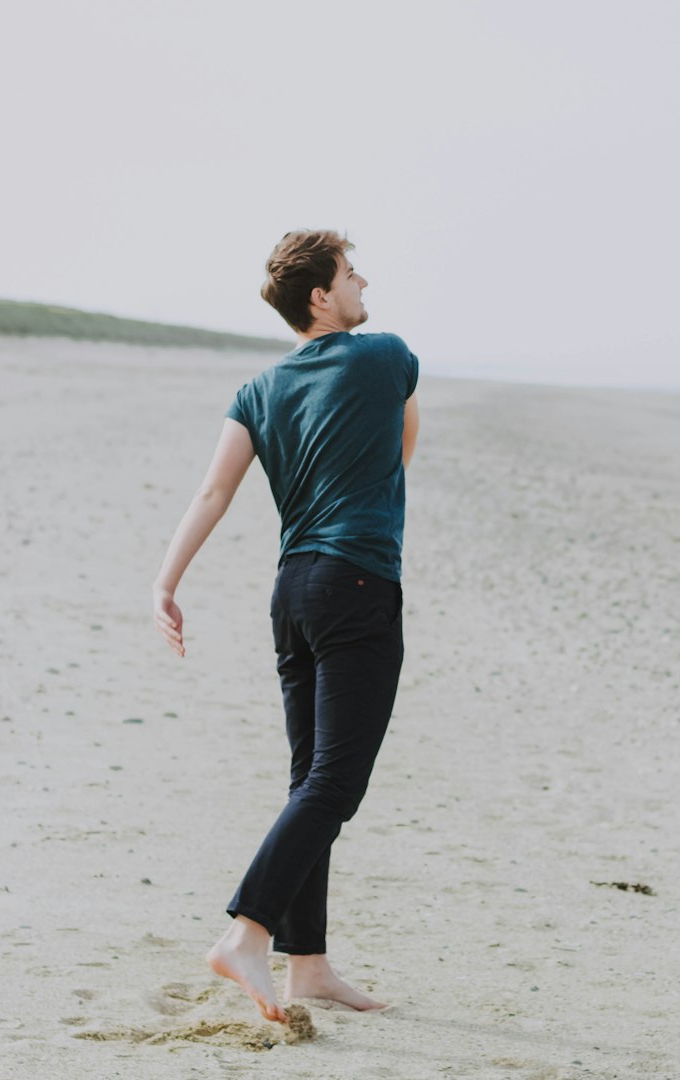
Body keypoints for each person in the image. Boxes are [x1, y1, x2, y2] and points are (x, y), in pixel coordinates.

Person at [152, 229, 419, 1024]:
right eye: (350, 273)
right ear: (320, 296)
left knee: (311, 783)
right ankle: (248, 932)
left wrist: (165, 583)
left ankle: (310, 967)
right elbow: (403, 448)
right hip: (358, 582)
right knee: (337, 784)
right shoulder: (384, 355)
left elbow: (212, 492)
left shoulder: (258, 389)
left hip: (292, 590)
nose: (363, 281)